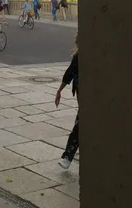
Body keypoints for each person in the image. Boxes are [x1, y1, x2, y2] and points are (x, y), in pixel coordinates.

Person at [55, 32, 79, 169]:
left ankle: (67, 156)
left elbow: (70, 72)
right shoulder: (79, 55)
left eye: (78, 35)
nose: (75, 38)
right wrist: (59, 90)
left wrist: (59, 90)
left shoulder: (81, 55)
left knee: (79, 126)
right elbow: (70, 73)